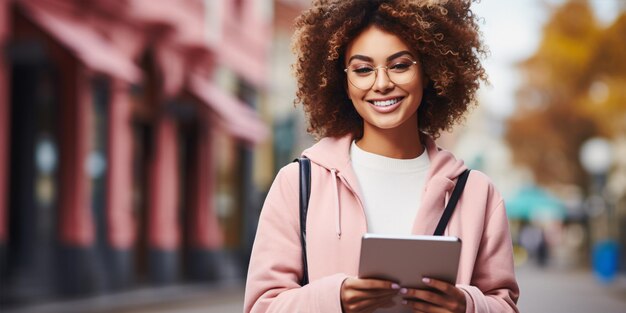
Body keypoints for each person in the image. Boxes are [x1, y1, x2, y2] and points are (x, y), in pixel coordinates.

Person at [244, 0, 519, 312]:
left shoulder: (478, 194)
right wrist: (335, 299)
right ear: (344, 83)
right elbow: (261, 306)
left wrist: (465, 305)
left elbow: (505, 305)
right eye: (362, 69)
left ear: (428, 72)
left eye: (400, 65)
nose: (383, 83)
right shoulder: (297, 183)